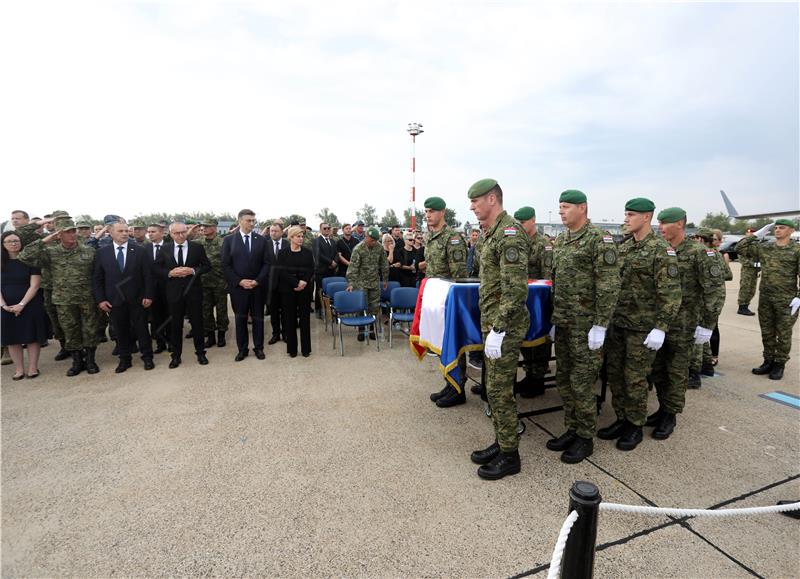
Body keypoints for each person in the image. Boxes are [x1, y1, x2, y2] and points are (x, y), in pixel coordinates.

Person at [597, 198, 681, 451]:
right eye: (626, 214)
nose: (626, 219)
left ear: (647, 217)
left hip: (642, 329)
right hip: (618, 324)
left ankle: (634, 425)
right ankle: (622, 419)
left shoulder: (660, 250)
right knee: (615, 376)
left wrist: (661, 327)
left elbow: (671, 293)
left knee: (635, 379)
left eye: (631, 214)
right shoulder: (624, 248)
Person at [546, 190, 621, 464]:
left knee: (582, 383)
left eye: (566, 207)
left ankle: (585, 437)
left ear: (583, 208)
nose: (562, 211)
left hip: (586, 327)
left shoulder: (599, 240)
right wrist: (555, 320)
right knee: (564, 380)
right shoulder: (562, 239)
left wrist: (600, 325)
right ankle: (572, 428)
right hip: (564, 324)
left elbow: (609, 285)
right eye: (560, 206)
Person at [466, 179, 529, 480]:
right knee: (493, 388)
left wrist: (500, 328)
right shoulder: (490, 233)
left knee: (500, 391)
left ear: (492, 199)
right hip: (492, 323)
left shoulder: (510, 233)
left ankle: (510, 456)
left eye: (476, 200)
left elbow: (515, 290)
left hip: (505, 325)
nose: (472, 206)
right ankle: (501, 442)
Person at [649, 208, 724, 438]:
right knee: (658, 368)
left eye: (665, 223)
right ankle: (662, 408)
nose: (660, 226)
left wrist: (708, 324)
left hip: (684, 322)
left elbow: (715, 290)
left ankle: (670, 415)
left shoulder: (699, 252)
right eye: (659, 222)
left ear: (680, 224)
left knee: (676, 370)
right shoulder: (662, 249)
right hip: (660, 321)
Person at [19, 217, 100, 376]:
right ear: (58, 235)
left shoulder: (88, 251)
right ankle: (77, 361)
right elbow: (24, 256)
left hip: (87, 299)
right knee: (70, 331)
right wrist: (46, 239)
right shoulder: (50, 252)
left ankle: (90, 360)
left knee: (90, 330)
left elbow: (98, 275)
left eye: (73, 231)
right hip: (64, 300)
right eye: (67, 232)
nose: (72, 235)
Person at [420, 196, 470, 407]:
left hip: (449, 299)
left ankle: (458, 389)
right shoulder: (431, 237)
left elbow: (459, 275)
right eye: (426, 211)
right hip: (436, 298)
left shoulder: (453, 238)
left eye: (431, 211)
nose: (428, 215)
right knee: (442, 343)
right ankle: (449, 383)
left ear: (442, 213)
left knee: (454, 342)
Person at [736, 219, 800, 380]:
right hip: (766, 297)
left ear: (791, 230)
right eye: (776, 228)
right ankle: (768, 361)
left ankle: (779, 364)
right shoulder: (766, 248)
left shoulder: (797, 249)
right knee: (767, 332)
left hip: (786, 299)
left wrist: (799, 297)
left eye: (782, 228)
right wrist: (756, 235)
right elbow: (740, 248)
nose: (777, 230)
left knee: (783, 334)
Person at [91, 222, 155, 373]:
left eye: (127, 231)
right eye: (120, 231)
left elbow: (148, 275)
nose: (125, 233)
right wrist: (101, 299)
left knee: (142, 330)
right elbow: (97, 279)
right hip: (114, 300)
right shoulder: (102, 253)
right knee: (120, 331)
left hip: (138, 299)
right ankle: (125, 359)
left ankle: (147, 357)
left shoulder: (140, 251)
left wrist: (148, 295)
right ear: (111, 233)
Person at [154, 222, 211, 368]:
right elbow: (156, 268)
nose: (180, 236)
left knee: (197, 323)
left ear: (187, 232)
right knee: (175, 325)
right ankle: (176, 356)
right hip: (174, 293)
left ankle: (200, 353)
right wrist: (169, 273)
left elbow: (206, 266)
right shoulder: (165, 248)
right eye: (177, 233)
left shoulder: (197, 248)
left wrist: (192, 271)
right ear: (171, 234)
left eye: (183, 232)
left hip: (194, 292)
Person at [513, 206, 555, 398]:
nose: (520, 226)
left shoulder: (543, 244)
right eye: (518, 223)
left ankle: (537, 380)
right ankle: (530, 375)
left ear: (533, 221)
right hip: (523, 301)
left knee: (539, 343)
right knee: (525, 341)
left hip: (538, 302)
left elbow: (547, 278)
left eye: (523, 223)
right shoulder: (518, 243)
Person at [221, 209, 270, 361]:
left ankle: (259, 348)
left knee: (258, 319)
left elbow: (267, 263)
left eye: (253, 220)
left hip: (257, 287)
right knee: (240, 319)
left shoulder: (261, 240)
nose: (252, 223)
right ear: (240, 221)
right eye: (249, 220)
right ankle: (242, 349)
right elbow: (225, 265)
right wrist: (239, 281)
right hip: (239, 289)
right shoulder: (229, 240)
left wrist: (257, 280)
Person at [688, 227, 732, 384]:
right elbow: (728, 274)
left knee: (697, 338)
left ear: (700, 239)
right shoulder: (716, 255)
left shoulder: (704, 254)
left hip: (704, 299)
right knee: (702, 337)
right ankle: (707, 365)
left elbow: (726, 276)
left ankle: (694, 373)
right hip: (711, 299)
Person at [1, 232, 47, 379]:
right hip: (6, 306)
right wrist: (3, 306)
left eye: (16, 240)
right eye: (9, 241)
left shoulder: (30, 260)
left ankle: (33, 367)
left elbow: (35, 285)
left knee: (31, 335)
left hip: (30, 303)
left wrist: (21, 304)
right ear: (3, 244)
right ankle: (19, 369)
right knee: (11, 338)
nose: (13, 243)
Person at [276, 225, 314, 357]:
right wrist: (295, 282)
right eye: (298, 236)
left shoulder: (308, 252)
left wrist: (304, 281)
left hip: (304, 290)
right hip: (288, 290)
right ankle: (292, 349)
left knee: (305, 320)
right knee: (289, 320)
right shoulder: (282, 253)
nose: (301, 239)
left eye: (302, 236)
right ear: (291, 237)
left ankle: (306, 349)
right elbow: (281, 271)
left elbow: (310, 268)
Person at [346, 227, 389, 341]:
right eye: (370, 240)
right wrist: (351, 283)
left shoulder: (379, 248)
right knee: (361, 307)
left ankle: (371, 329)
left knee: (374, 307)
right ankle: (361, 330)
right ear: (366, 237)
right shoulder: (358, 249)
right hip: (361, 283)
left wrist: (385, 279)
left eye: (374, 240)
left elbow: (384, 264)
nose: (372, 242)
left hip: (374, 282)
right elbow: (353, 267)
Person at [199, 219, 229, 348]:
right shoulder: (198, 243)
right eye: (203, 227)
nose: (204, 229)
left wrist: (229, 281)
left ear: (215, 228)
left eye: (207, 226)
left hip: (220, 282)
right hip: (204, 282)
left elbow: (229, 263)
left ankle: (221, 335)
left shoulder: (223, 243)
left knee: (221, 311)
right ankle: (210, 337)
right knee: (206, 311)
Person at [143, 223, 170, 353]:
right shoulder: (145, 248)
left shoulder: (171, 247)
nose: (150, 234)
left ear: (161, 232)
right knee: (155, 318)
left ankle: (171, 341)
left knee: (170, 315)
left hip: (169, 287)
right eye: (149, 232)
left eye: (153, 231)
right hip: (152, 289)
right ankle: (160, 343)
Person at [313, 222, 340, 318]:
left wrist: (335, 263)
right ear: (320, 230)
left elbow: (337, 254)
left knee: (330, 292)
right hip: (321, 270)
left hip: (332, 271)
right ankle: (319, 311)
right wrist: (330, 262)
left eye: (328, 228)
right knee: (320, 291)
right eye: (325, 228)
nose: (327, 230)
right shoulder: (316, 241)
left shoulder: (332, 241)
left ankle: (331, 311)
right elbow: (318, 254)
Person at [266, 222, 285, 345]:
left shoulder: (289, 244)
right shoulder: (265, 245)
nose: (273, 233)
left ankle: (286, 333)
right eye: (271, 231)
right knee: (273, 311)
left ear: (282, 232)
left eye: (276, 231)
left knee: (286, 311)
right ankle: (275, 334)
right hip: (270, 285)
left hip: (286, 284)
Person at [737, 228, 760, 316]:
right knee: (745, 288)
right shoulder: (742, 245)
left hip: (755, 270)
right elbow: (742, 259)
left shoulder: (756, 244)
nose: (751, 234)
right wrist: (753, 264)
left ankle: (746, 305)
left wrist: (759, 266)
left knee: (752, 289)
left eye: (753, 232)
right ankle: (742, 307)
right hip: (747, 270)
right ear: (746, 233)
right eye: (749, 232)